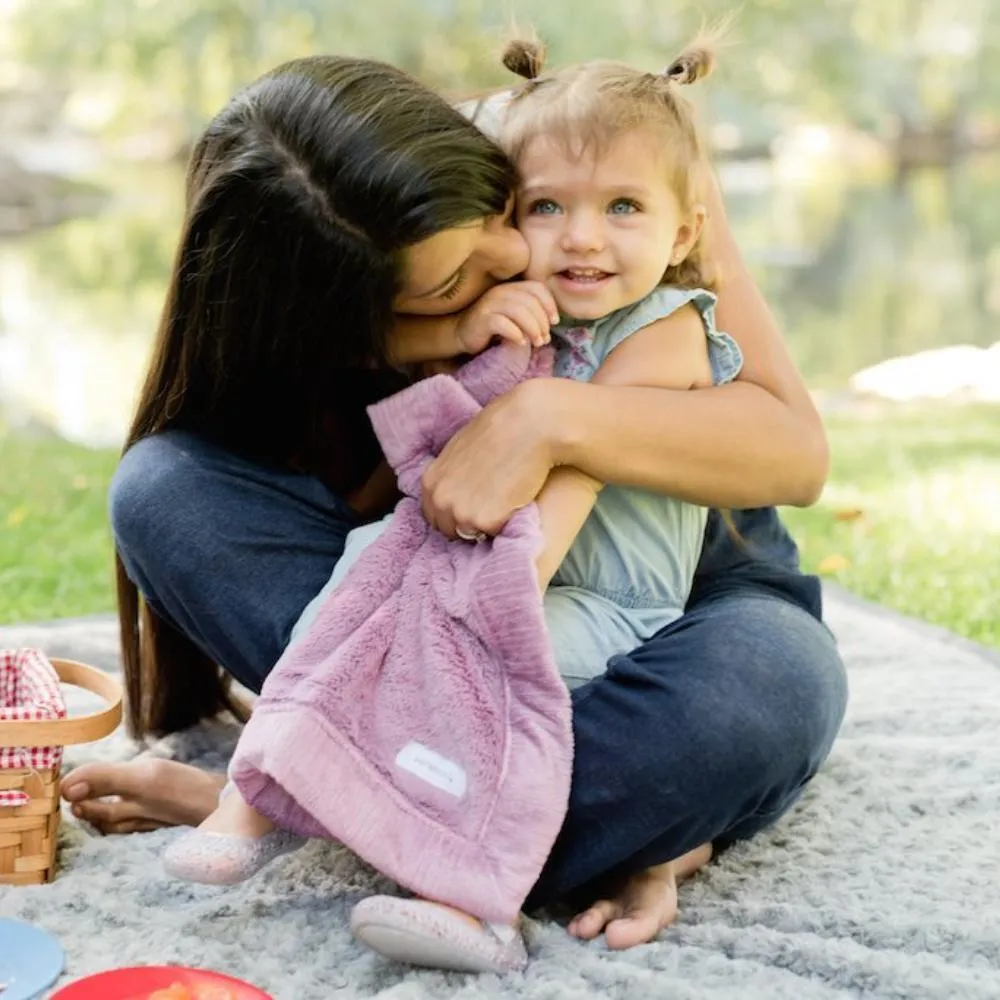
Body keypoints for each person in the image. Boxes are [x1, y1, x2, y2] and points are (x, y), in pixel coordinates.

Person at [60, 49, 847, 963]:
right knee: (164, 491)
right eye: (442, 285)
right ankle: (533, 829)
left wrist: (556, 419)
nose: (530, 251)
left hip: (680, 591)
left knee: (769, 687)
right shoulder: (327, 305)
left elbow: (796, 453)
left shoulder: (594, 147)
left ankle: (320, 796)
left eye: (497, 215)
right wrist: (428, 347)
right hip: (428, 561)